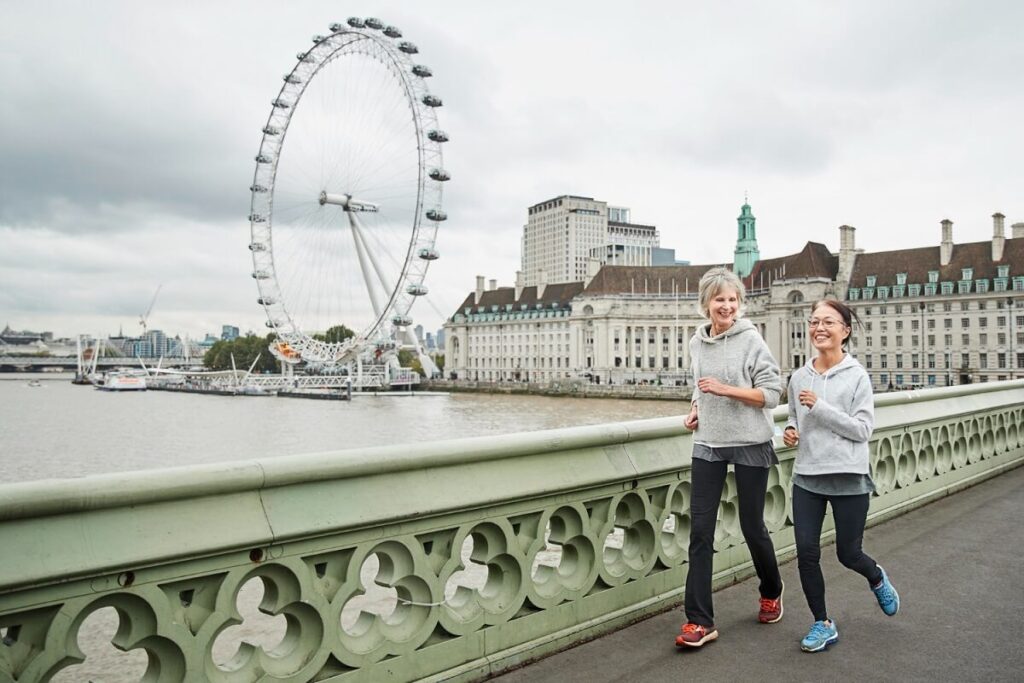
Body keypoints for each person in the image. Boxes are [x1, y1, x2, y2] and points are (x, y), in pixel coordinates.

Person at [782, 299, 900, 653]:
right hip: (807, 476)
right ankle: (822, 623)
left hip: (848, 476)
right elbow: (793, 416)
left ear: (844, 331)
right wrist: (791, 431)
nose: (819, 328)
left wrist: (819, 407)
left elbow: (862, 430)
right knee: (806, 553)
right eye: (814, 321)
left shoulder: (857, 376)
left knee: (849, 554)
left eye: (828, 322)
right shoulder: (799, 377)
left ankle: (876, 577)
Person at [675, 267, 785, 648]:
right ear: (706, 304)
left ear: (739, 304)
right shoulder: (696, 343)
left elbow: (772, 394)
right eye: (719, 299)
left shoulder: (752, 340)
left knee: (752, 525)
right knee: (700, 532)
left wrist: (727, 390)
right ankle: (699, 621)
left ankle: (772, 589)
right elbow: (698, 386)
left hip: (750, 441)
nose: (726, 306)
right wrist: (695, 409)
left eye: (732, 299)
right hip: (708, 442)